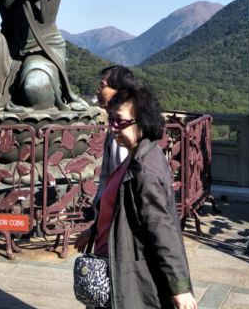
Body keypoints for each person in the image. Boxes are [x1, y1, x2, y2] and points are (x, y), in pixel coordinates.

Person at [77, 85, 198, 309]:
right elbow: (118, 209)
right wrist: (92, 231)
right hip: (112, 262)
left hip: (127, 272)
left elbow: (161, 230)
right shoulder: (133, 158)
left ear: (142, 121)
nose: (113, 128)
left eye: (120, 122)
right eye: (111, 120)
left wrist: (179, 287)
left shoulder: (144, 170)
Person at [74, 65, 137, 250]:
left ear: (120, 91)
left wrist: (98, 228)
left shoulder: (122, 135)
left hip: (115, 227)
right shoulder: (116, 126)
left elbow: (120, 185)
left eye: (102, 86)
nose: (98, 91)